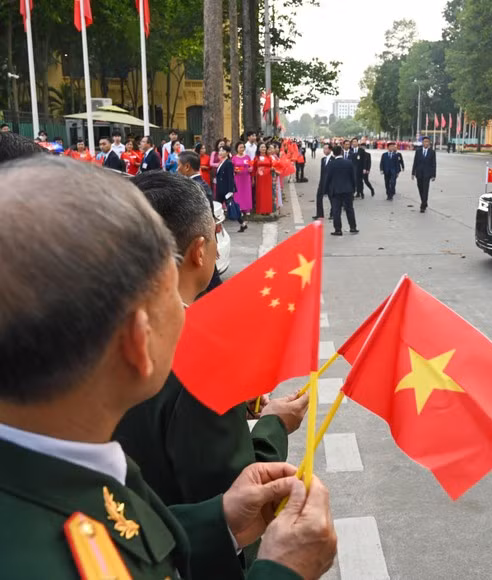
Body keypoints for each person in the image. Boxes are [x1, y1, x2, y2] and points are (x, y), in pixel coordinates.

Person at [0, 155, 337, 580]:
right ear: (139, 342)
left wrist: (220, 522)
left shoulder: (74, 466)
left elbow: (130, 544)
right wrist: (285, 571)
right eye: (162, 299)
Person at [114, 171, 308, 557]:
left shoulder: (83, 332)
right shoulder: (197, 357)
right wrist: (275, 424)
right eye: (217, 237)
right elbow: (235, 502)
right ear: (200, 251)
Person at [177, 150, 224, 294]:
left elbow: (206, 218)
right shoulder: (198, 185)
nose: (176, 169)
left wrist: (211, 242)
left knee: (211, 281)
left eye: (178, 165)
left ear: (187, 167)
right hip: (200, 240)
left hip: (198, 241)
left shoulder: (196, 188)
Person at [324, 145, 358, 236]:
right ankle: (353, 227)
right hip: (348, 189)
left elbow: (328, 178)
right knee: (349, 209)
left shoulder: (331, 164)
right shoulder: (349, 163)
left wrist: (325, 190)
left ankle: (338, 230)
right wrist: (354, 188)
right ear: (341, 152)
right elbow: (353, 177)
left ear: (333, 153)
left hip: (335, 190)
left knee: (336, 210)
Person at [215, 144, 248, 233]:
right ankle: (242, 223)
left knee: (230, 207)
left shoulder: (228, 163)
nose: (220, 152)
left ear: (227, 152)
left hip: (226, 190)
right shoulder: (221, 162)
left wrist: (230, 191)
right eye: (220, 150)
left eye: (223, 151)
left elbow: (230, 178)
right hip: (220, 188)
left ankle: (241, 223)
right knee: (218, 207)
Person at [412, 136, 437, 213]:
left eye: (427, 142)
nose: (426, 143)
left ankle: (423, 205)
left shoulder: (432, 152)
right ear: (422, 143)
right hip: (419, 173)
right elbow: (415, 162)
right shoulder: (418, 151)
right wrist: (413, 173)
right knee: (420, 188)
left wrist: (433, 175)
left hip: (427, 174)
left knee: (425, 190)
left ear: (429, 143)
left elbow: (434, 164)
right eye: (424, 141)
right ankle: (424, 202)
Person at [232, 141, 254, 217]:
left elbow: (251, 166)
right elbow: (232, 167)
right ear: (237, 149)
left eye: (243, 147)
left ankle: (247, 208)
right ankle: (239, 209)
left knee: (247, 192)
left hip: (246, 177)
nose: (242, 149)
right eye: (240, 147)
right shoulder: (234, 158)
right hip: (238, 178)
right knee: (238, 193)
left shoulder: (247, 157)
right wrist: (235, 170)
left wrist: (251, 168)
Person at [254, 143, 276, 215]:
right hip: (260, 178)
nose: (263, 149)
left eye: (264, 147)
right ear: (259, 149)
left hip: (268, 177)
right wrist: (253, 178)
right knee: (260, 193)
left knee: (267, 193)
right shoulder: (256, 158)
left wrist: (272, 168)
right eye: (262, 147)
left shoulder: (269, 157)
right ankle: (261, 210)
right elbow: (254, 168)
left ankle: (268, 209)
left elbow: (273, 166)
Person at [314, 142, 332, 219]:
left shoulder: (333, 159)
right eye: (323, 148)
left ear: (330, 149)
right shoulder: (323, 159)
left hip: (330, 183)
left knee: (332, 199)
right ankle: (319, 214)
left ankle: (333, 214)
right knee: (318, 197)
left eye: (326, 148)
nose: (324, 150)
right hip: (322, 182)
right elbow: (322, 172)